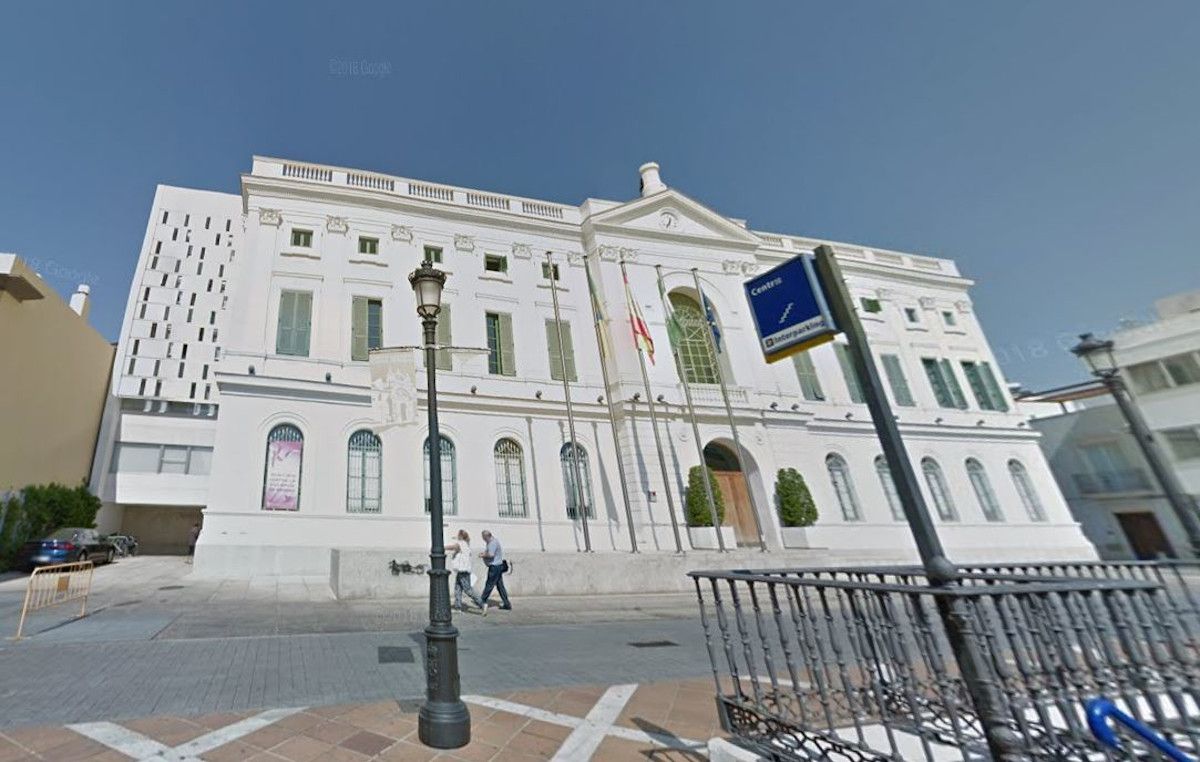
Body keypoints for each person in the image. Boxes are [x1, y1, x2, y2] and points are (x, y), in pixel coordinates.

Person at [446, 530, 486, 616]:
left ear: (460, 536)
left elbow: (454, 547)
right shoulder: (466, 544)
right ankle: (458, 607)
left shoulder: (462, 543)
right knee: (458, 588)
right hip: (462, 570)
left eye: (458, 535)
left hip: (463, 570)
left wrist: (443, 547)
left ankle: (482, 604)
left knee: (468, 590)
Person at [479, 529, 512, 611]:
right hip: (498, 566)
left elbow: (491, 555)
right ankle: (507, 604)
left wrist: (483, 555)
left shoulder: (492, 543)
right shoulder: (493, 542)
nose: (483, 539)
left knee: (489, 584)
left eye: (483, 538)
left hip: (495, 567)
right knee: (500, 586)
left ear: (487, 536)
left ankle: (481, 601)